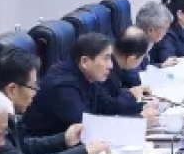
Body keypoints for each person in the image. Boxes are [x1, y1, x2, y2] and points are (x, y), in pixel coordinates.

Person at [0, 44, 111, 154]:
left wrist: (64, 139)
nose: (35, 93)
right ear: (12, 90)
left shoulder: (5, 113)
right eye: (33, 86)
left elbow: (22, 146)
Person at [23, 32, 152, 137]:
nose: (111, 65)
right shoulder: (63, 88)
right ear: (85, 61)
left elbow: (107, 106)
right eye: (106, 58)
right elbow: (88, 129)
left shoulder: (87, 76)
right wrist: (139, 120)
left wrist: (143, 106)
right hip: (45, 153)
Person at [110, 28, 153, 98]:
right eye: (142, 57)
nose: (142, 61)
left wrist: (132, 91)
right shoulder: (106, 73)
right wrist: (131, 95)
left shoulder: (112, 60)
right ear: (131, 59)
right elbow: (111, 98)